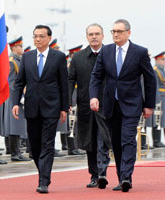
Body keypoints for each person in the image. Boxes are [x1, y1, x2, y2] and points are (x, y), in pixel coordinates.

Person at [89, 19, 156, 192]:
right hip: (111, 104)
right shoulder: (106, 51)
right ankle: (122, 177)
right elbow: (96, 76)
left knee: (128, 140)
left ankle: (127, 177)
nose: (116, 34)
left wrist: (149, 105)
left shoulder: (139, 52)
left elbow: (150, 80)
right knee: (116, 142)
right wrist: (93, 97)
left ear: (128, 33)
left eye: (119, 31)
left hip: (132, 104)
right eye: (113, 31)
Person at [12, 25, 69, 193]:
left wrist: (64, 108)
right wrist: (15, 103)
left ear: (49, 38)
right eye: (35, 36)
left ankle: (43, 180)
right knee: (35, 145)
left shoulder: (58, 57)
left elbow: (63, 85)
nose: (37, 39)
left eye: (41, 36)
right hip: (31, 106)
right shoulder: (27, 57)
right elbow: (19, 82)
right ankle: (43, 171)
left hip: (52, 107)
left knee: (47, 144)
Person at [68, 23, 111, 188]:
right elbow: (71, 79)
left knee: (103, 139)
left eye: (97, 34)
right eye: (91, 34)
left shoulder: (110, 54)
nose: (94, 37)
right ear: (86, 37)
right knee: (89, 141)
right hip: (85, 106)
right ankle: (94, 174)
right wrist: (68, 102)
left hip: (106, 106)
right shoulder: (78, 57)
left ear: (103, 36)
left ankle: (102, 172)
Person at [7, 36, 31, 162]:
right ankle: (14, 153)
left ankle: (17, 152)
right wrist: (18, 97)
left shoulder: (19, 61)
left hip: (20, 97)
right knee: (14, 126)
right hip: (14, 98)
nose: (22, 48)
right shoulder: (12, 61)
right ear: (14, 48)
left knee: (19, 125)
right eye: (20, 46)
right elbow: (11, 83)